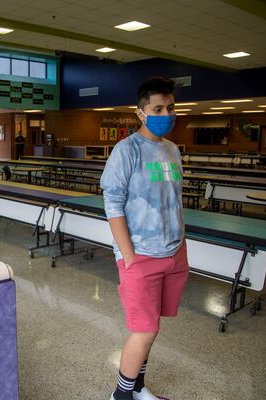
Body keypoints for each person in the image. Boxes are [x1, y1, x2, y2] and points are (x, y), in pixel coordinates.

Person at [101, 77, 188, 400]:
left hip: (174, 253)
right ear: (140, 113)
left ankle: (137, 389)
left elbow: (174, 201)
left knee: (153, 329)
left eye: (170, 107)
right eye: (158, 109)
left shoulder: (172, 150)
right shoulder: (127, 151)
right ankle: (120, 396)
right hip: (141, 255)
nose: (166, 114)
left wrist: (182, 246)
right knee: (144, 329)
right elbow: (112, 204)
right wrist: (129, 256)